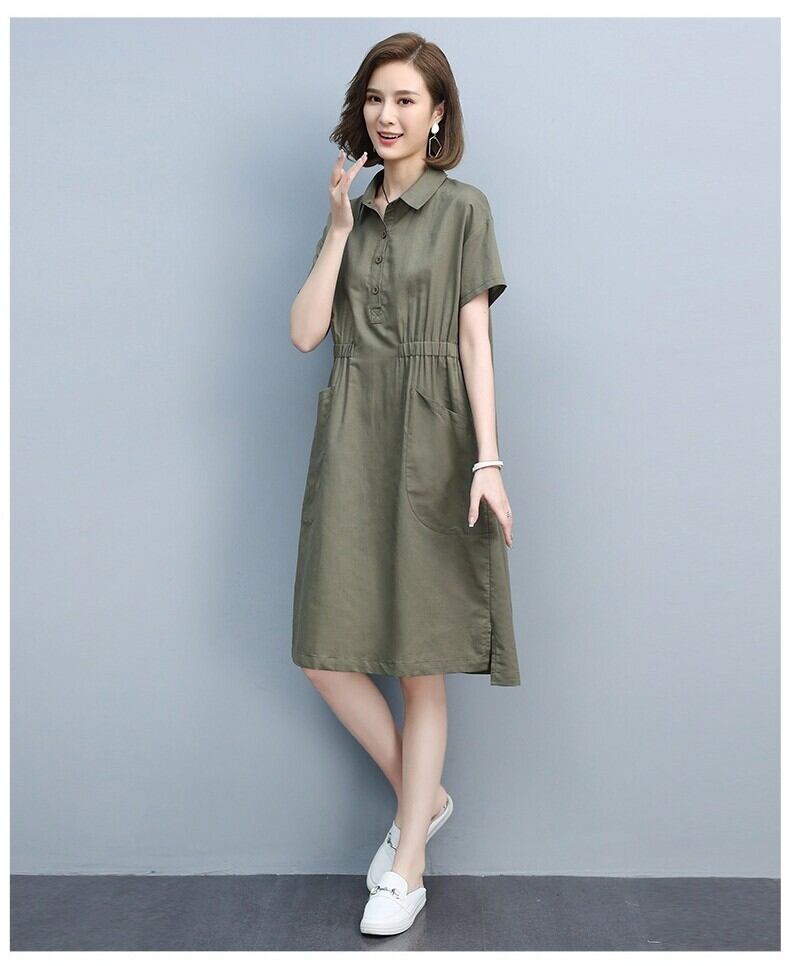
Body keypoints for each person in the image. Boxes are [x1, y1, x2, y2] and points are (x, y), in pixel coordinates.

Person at [289, 32, 521, 937]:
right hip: (354, 430)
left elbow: (474, 342)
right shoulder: (348, 213)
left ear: (437, 115)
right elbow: (306, 332)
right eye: (376, 99)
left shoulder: (464, 208)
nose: (387, 116)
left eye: (406, 100)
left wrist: (488, 460)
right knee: (324, 652)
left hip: (434, 438)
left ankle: (408, 867)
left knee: (421, 658)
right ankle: (424, 801)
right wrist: (339, 228)